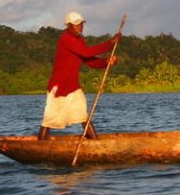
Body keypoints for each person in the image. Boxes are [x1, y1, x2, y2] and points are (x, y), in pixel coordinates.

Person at [38, 11, 122, 141]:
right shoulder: (66, 39)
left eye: (81, 24)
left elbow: (89, 60)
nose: (80, 26)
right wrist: (110, 43)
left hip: (73, 87)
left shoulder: (79, 40)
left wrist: (106, 62)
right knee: (49, 120)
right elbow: (87, 52)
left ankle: (96, 144)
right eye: (77, 24)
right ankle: (40, 147)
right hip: (58, 88)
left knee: (83, 116)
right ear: (68, 26)